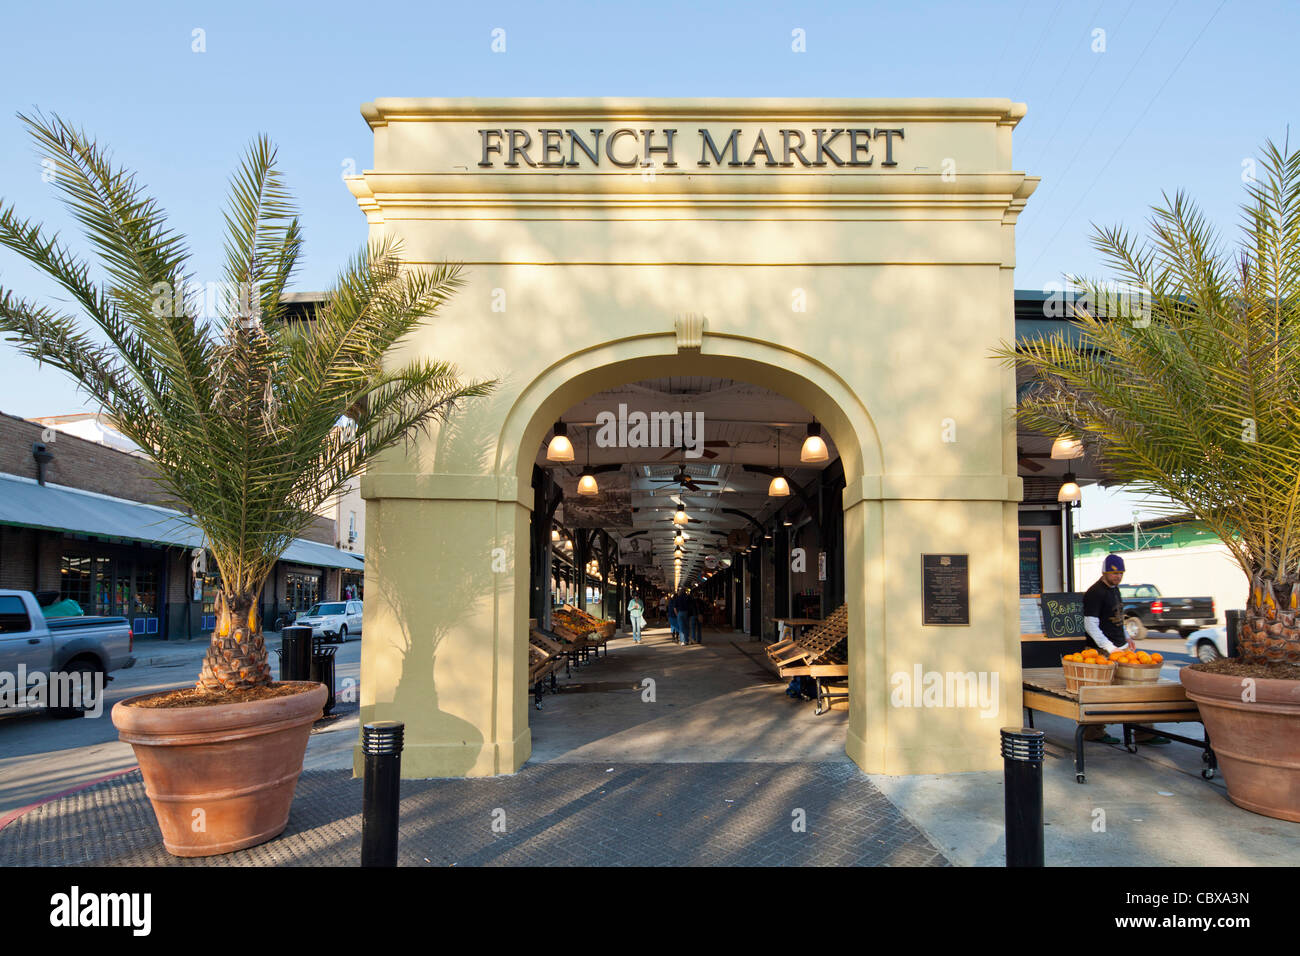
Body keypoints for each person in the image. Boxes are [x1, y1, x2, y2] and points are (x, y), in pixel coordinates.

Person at [1082, 554, 1169, 745]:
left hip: (1119, 649)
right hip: (1102, 651)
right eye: (1114, 573)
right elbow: (1090, 624)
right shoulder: (1095, 592)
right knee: (1101, 695)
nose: (1118, 577)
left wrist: (1127, 637)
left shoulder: (1115, 590)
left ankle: (1144, 732)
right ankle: (1094, 731)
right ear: (1104, 572)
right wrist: (1109, 648)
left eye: (1121, 573)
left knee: (1136, 691)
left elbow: (1117, 617)